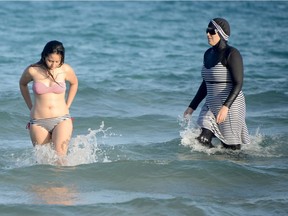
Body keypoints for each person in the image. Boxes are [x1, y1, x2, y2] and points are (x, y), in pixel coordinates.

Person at [184, 18, 250, 150]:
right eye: (207, 31)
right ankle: (207, 168)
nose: (208, 34)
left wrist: (226, 107)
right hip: (210, 104)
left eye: (211, 31)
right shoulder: (208, 54)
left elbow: (238, 83)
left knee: (232, 150)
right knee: (201, 140)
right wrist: (192, 106)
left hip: (231, 105)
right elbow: (206, 83)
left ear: (221, 33)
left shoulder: (232, 54)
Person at [19, 40, 78, 157]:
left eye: (57, 61)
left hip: (62, 119)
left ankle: (64, 176)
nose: (53, 65)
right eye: (50, 60)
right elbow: (22, 84)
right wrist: (31, 107)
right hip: (38, 122)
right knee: (44, 161)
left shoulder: (65, 69)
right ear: (44, 55)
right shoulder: (33, 70)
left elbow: (74, 83)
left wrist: (68, 105)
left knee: (60, 157)